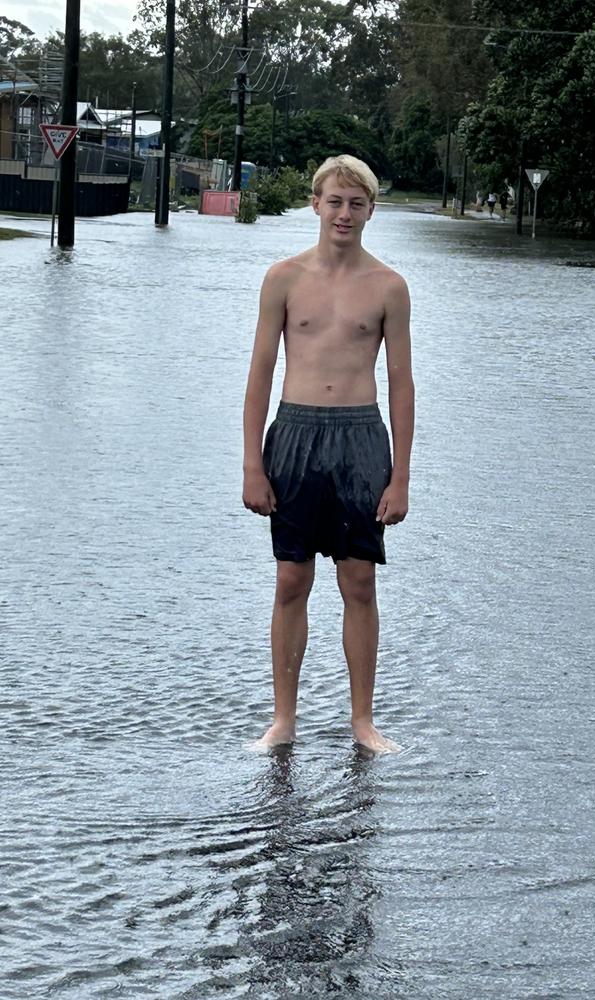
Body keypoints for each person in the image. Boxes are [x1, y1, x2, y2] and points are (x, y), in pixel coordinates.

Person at [242, 154, 414, 755]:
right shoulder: (283, 278)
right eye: (335, 201)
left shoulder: (389, 286)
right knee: (291, 578)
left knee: (359, 580)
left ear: (371, 210)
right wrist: (252, 464)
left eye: (356, 203)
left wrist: (400, 476)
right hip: (294, 433)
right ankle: (283, 720)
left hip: (361, 439)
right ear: (315, 204)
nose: (344, 213)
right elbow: (261, 372)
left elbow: (401, 383)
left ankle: (362, 721)